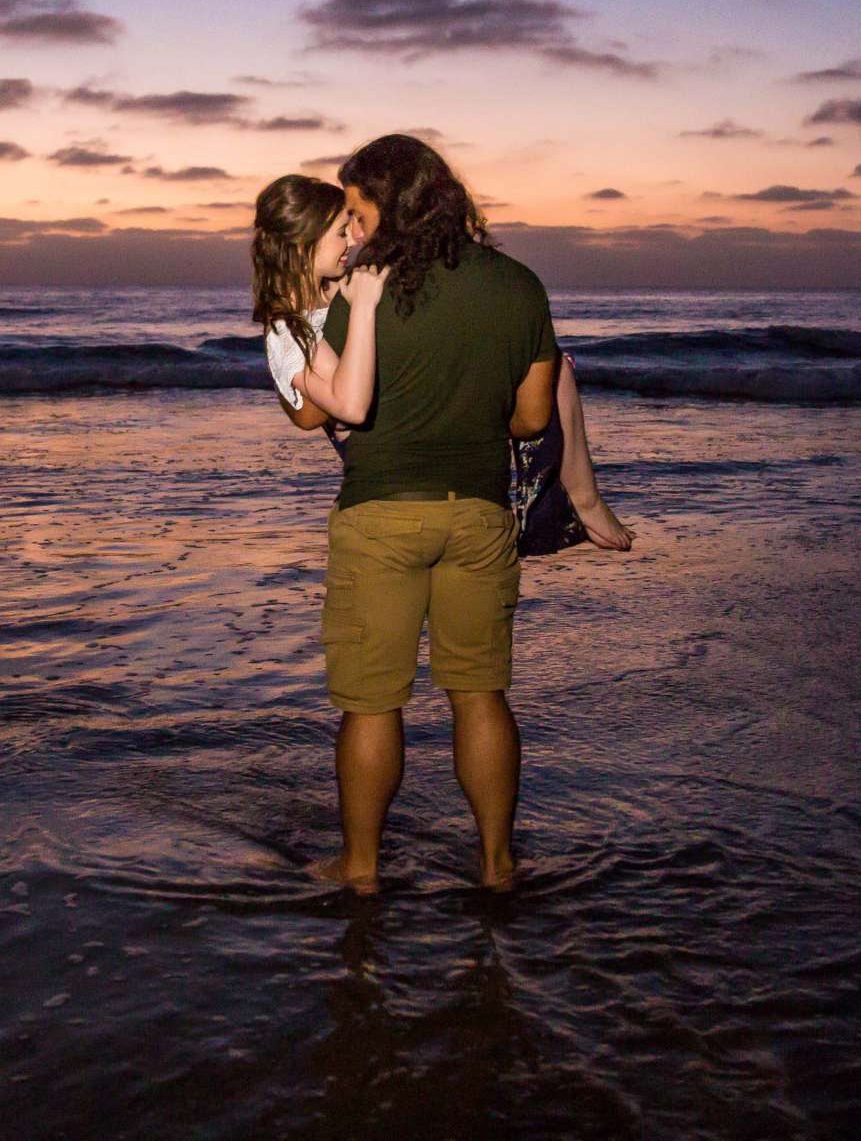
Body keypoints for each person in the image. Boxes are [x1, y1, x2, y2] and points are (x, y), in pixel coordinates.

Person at [284, 135, 612, 893]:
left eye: (360, 212)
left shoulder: (364, 288)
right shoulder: (519, 285)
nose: (355, 230)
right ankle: (498, 865)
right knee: (480, 693)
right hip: (479, 517)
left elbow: (318, 406)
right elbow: (531, 419)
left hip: (380, 517)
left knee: (371, 705)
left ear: (392, 206)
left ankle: (360, 868)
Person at [250, 174, 632, 554]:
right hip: (385, 439)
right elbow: (326, 409)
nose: (353, 238)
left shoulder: (340, 284)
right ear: (303, 246)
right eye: (340, 231)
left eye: (352, 225)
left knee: (555, 366)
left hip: (406, 407)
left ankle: (583, 499)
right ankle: (567, 504)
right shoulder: (289, 327)